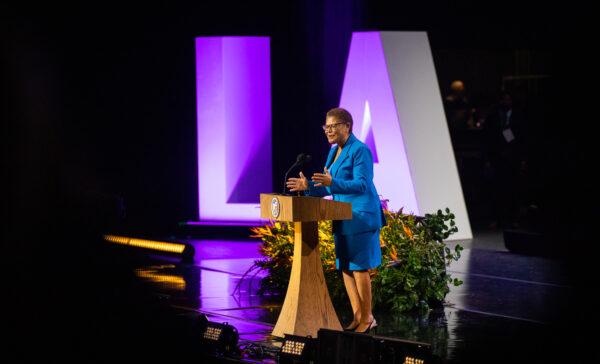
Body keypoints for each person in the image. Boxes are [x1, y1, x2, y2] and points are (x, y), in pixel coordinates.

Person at [286, 107, 384, 333]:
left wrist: (331, 182)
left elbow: (362, 184)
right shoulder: (333, 152)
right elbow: (327, 186)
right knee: (346, 268)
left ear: (347, 126)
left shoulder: (360, 150)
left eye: (333, 126)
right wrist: (308, 187)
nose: (328, 131)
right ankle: (358, 315)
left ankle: (368, 317)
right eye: (326, 127)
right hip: (341, 215)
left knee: (360, 268)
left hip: (361, 216)